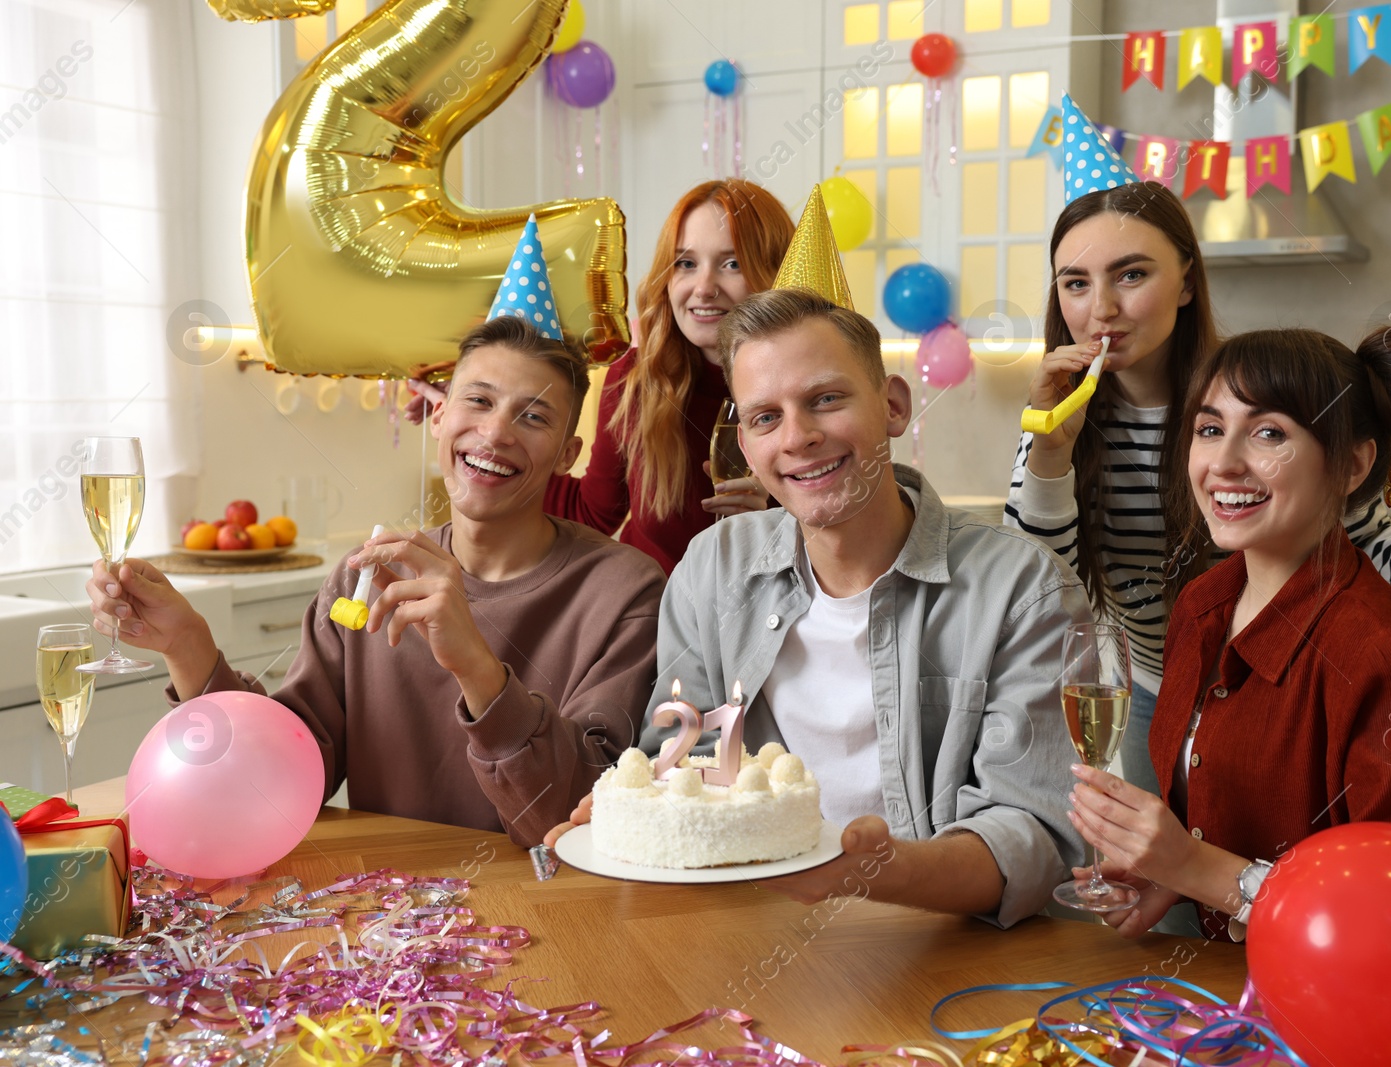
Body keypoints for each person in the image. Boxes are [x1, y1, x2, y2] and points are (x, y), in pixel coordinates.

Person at [1005, 179, 1391, 802]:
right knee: (1168, 889)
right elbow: (1036, 581)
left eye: (1131, 275)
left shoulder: (1245, 392)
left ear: (1188, 283)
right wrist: (1051, 448)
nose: (1101, 309)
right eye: (1075, 282)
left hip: (1277, 689)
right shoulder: (1058, 417)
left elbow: (1360, 534)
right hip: (1153, 693)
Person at [549, 285, 1092, 929]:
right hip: (755, 934)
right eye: (765, 417)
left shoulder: (1024, 588)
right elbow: (688, 753)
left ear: (893, 406)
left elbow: (1035, 838)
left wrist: (867, 871)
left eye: (825, 400)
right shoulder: (713, 568)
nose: (798, 437)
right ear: (746, 446)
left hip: (954, 955)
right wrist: (647, 805)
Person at [85, 317, 666, 847]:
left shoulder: (625, 591)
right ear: (439, 417)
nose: (495, 433)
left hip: (556, 921)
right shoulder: (365, 578)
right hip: (388, 920)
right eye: (479, 401)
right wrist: (188, 646)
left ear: (567, 454)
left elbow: (577, 822)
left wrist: (478, 669)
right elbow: (273, 786)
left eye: (533, 416)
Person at [1064, 325, 1391, 941]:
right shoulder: (1200, 608)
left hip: (1348, 1026)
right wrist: (1169, 877)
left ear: (1351, 465)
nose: (1223, 463)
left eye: (1269, 433)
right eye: (1210, 429)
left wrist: (1196, 867)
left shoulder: (1389, 659)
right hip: (1231, 1005)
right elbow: (1227, 832)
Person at [409, 180, 794, 575]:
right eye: (686, 263)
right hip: (660, 621)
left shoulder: (808, 391)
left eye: (732, 264)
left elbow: (850, 535)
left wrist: (784, 509)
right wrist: (477, 419)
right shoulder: (635, 382)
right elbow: (591, 513)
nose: (704, 287)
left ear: (774, 272)